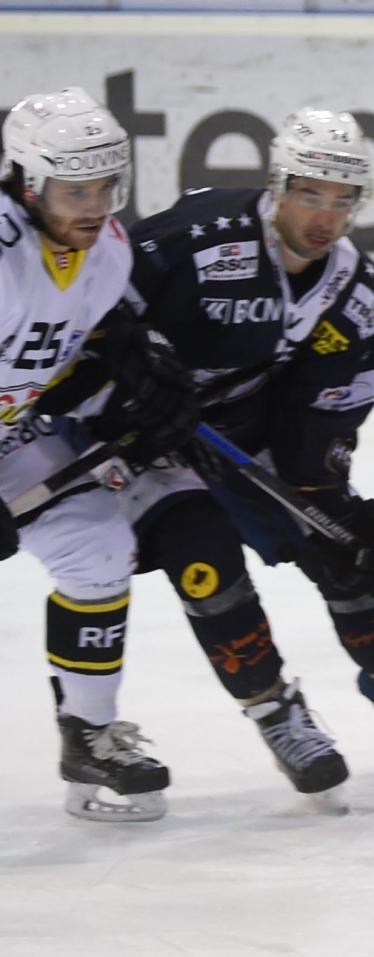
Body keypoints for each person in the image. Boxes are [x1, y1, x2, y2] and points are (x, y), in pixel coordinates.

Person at [118, 109, 374, 802]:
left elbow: (320, 408)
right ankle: (276, 714)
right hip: (148, 438)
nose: (323, 215)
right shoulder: (197, 237)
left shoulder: (353, 291)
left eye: (341, 199)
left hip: (244, 428)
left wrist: (329, 497)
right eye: (309, 193)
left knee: (349, 547)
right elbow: (97, 305)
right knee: (205, 562)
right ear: (277, 185)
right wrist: (131, 372)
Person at [0, 88, 200, 823]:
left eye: (105, 188)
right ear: (26, 181)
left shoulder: (106, 252)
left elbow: (55, 367)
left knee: (97, 544)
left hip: (10, 434)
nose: (92, 205)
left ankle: (88, 733)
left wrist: (128, 390)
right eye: (71, 190)